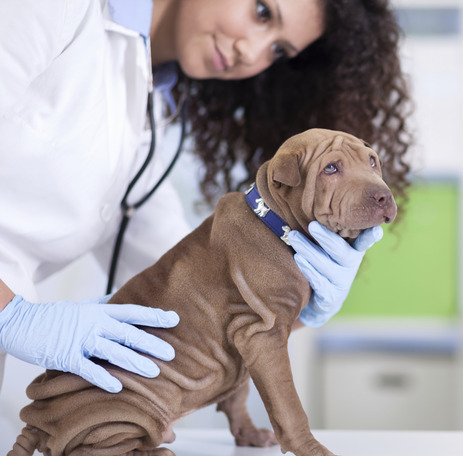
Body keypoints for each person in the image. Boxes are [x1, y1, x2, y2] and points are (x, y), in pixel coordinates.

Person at [0, 0, 412, 394]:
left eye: (278, 50)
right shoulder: (58, 9)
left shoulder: (149, 121)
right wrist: (13, 317)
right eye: (262, 11)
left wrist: (305, 301)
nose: (251, 53)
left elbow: (204, 297)